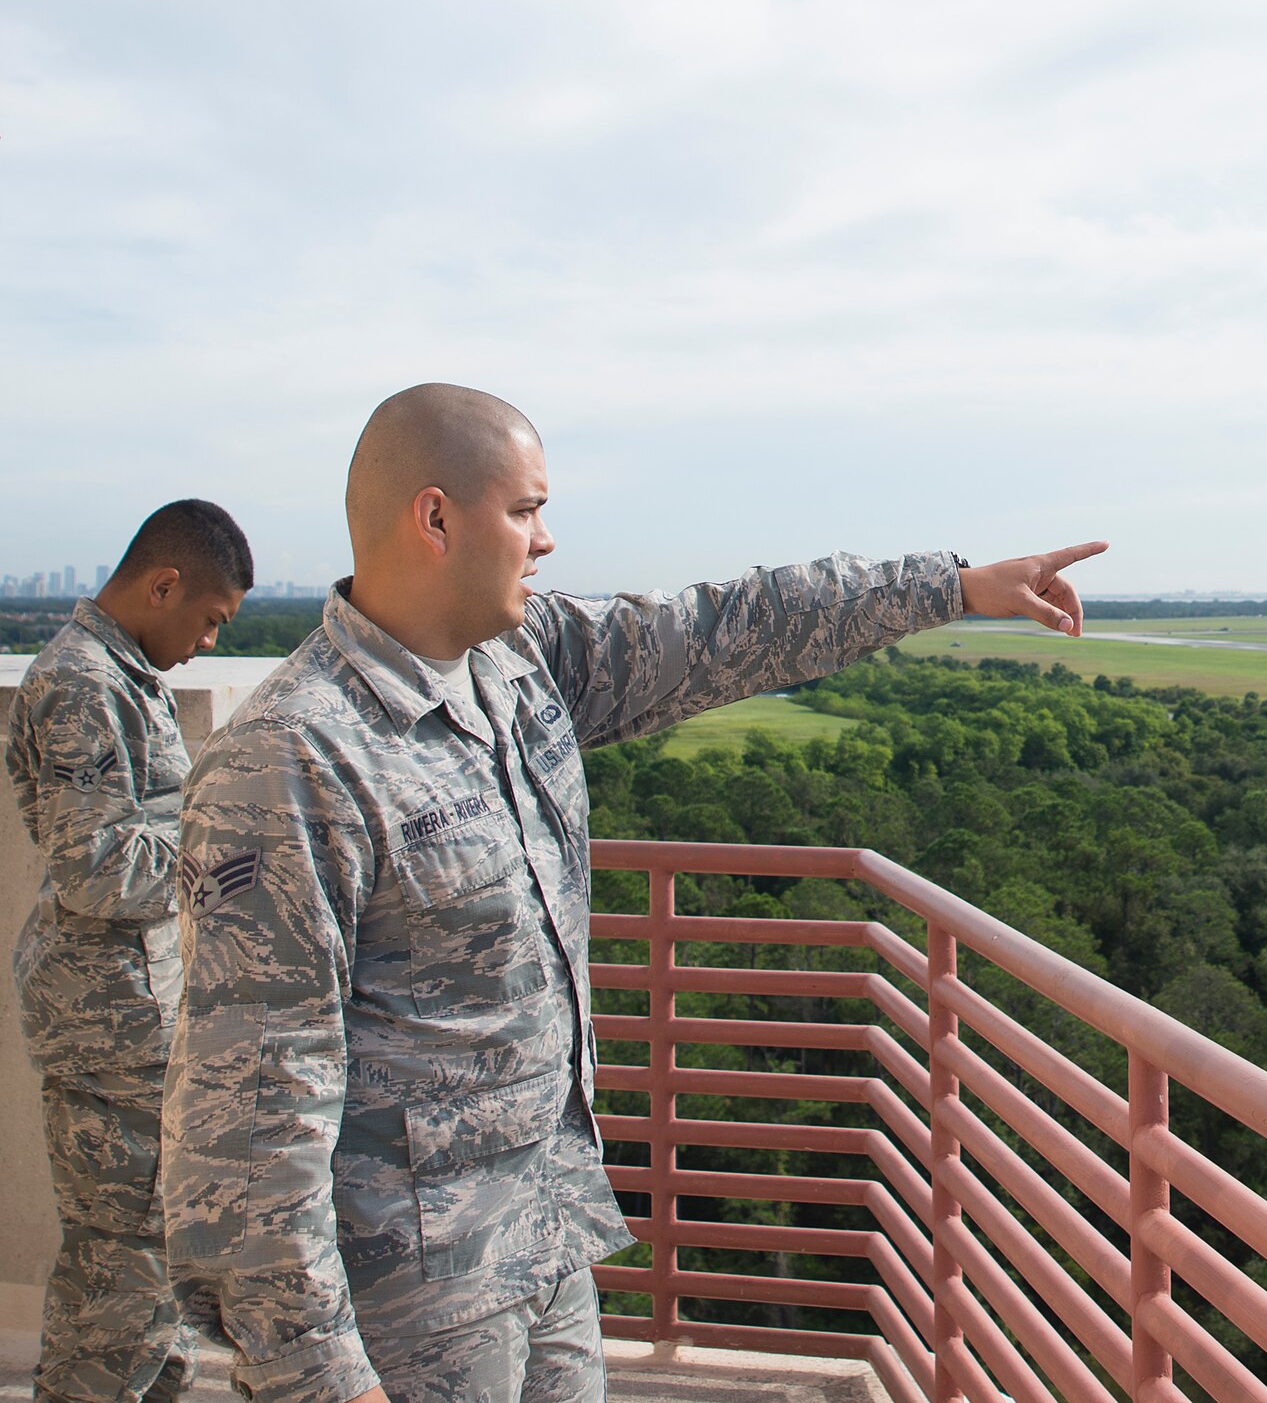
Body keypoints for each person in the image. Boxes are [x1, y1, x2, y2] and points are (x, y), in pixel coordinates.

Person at [163, 383, 1104, 1403]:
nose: (546, 538)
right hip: (408, 1296)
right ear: (434, 517)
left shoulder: (520, 666)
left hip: (550, 1231)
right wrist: (317, 1374)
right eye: (524, 509)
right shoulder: (293, 760)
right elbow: (254, 1115)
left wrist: (950, 588)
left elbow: (725, 627)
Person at [7, 498, 253, 1403]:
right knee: (120, 1267)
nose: (212, 642)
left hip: (136, 1010)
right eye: (212, 618)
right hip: (106, 1019)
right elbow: (95, 867)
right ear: (164, 585)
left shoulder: (121, 672)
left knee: (156, 1258)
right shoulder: (82, 683)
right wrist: (234, 848)